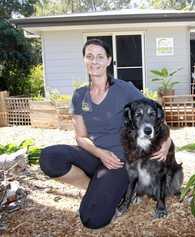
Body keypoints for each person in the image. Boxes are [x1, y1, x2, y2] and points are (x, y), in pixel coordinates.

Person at [39, 39, 172, 229]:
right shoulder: (79, 95)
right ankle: (92, 187)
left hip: (119, 161)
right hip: (93, 154)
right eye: (89, 56)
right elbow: (81, 137)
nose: (95, 61)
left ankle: (119, 188)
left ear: (109, 60)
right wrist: (100, 153)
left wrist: (166, 140)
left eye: (100, 56)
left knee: (92, 219)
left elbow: (154, 111)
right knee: (49, 157)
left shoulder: (124, 88)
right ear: (84, 60)